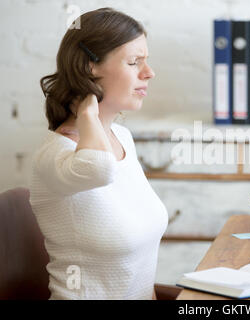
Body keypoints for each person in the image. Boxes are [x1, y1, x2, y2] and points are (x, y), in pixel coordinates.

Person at [29, 7, 168, 300]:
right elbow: (98, 168)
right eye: (134, 62)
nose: (149, 72)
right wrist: (87, 113)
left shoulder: (123, 139)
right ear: (89, 67)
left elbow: (139, 277)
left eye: (146, 61)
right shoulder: (55, 157)